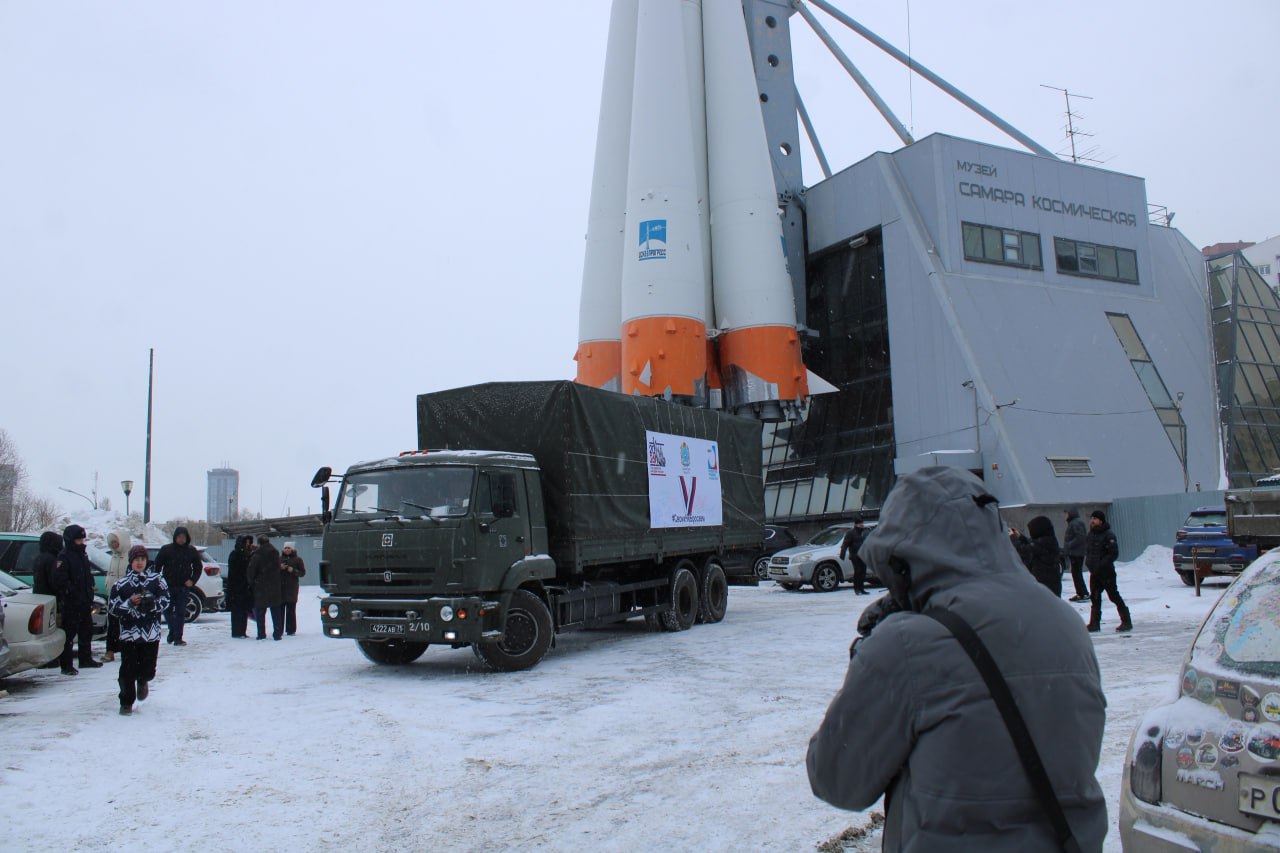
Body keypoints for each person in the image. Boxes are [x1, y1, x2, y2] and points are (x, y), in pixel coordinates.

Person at [806, 467, 1108, 852]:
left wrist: (870, 661)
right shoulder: (1065, 623)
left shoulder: (905, 644)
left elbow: (836, 780)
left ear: (902, 559)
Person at [108, 544, 169, 716]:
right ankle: (126, 702)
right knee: (128, 670)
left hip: (151, 634)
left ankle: (143, 680)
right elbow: (113, 608)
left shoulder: (157, 580)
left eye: (142, 559)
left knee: (148, 669)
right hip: (129, 635)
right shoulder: (121, 584)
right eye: (136, 560)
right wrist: (129, 604)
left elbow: (166, 599)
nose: (140, 563)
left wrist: (152, 603)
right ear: (131, 562)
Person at [52, 524, 102, 674]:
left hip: (85, 601)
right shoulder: (64, 556)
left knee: (86, 631)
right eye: (78, 540)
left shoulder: (83, 555)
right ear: (70, 540)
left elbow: (87, 575)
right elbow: (61, 580)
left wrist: (90, 590)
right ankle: (66, 665)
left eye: (82, 539)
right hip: (71, 603)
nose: (81, 542)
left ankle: (85, 659)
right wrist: (73, 593)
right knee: (69, 634)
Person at [1085, 510, 1132, 633]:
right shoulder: (1091, 534)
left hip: (1106, 572)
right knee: (1095, 597)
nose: (1092, 521)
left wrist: (1101, 564)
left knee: (1113, 596)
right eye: (1091, 518)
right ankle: (1094, 623)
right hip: (1095, 572)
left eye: (1095, 519)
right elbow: (1089, 551)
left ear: (1101, 521)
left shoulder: (1108, 535)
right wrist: (1089, 563)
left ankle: (1126, 621)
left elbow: (1113, 553)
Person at [154, 526, 202, 645]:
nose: (181, 539)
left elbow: (198, 567)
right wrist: (158, 581)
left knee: (180, 612)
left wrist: (192, 580)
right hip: (168, 586)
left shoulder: (191, 550)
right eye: (179, 537)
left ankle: (178, 638)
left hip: (183, 587)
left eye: (183, 537)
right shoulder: (166, 549)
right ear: (175, 537)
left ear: (187, 538)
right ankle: (173, 630)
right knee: (167, 610)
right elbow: (157, 566)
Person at [31, 531, 63, 669]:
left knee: (42, 631)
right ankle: (51, 659)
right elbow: (54, 582)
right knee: (52, 630)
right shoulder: (52, 560)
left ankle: (43, 659)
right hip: (51, 599)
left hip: (39, 597)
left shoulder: (38, 558)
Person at [101, 529, 132, 662]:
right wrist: (108, 584)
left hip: (127, 596)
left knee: (127, 624)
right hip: (114, 595)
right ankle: (110, 650)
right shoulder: (113, 556)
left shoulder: (130, 556)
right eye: (112, 542)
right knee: (112, 624)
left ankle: (128, 650)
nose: (114, 545)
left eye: (116, 542)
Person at [246, 535, 284, 640]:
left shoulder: (257, 555)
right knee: (276, 611)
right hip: (274, 586)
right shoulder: (275, 553)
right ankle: (277, 634)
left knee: (260, 612)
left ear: (259, 543)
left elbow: (251, 570)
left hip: (260, 586)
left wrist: (252, 582)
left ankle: (261, 634)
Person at [1025, 515, 1062, 596]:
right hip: (1048, 588)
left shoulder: (1044, 543)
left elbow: (1026, 549)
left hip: (1046, 589)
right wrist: (1021, 537)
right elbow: (1032, 544)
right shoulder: (1048, 540)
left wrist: (1014, 539)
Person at [225, 535, 253, 638]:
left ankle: (242, 631)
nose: (248, 544)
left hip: (245, 587)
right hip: (237, 587)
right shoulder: (236, 554)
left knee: (244, 610)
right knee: (237, 610)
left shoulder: (247, 554)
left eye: (249, 542)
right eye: (246, 542)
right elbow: (235, 571)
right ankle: (237, 632)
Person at [279, 541, 307, 636]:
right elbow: (273, 571)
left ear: (293, 549)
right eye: (285, 548)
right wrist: (280, 568)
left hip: (292, 588)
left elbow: (302, 573)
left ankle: (291, 629)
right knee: (280, 610)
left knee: (291, 610)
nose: (287, 550)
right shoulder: (279, 559)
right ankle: (279, 629)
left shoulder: (298, 560)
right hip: (280, 588)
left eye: (289, 548)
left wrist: (293, 571)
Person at [1063, 507, 1090, 602]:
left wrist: (1069, 545)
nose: (1065, 516)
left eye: (1067, 513)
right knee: (1076, 573)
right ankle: (1080, 593)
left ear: (1071, 514)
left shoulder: (1076, 523)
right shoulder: (1073, 523)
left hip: (1077, 553)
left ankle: (1083, 593)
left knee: (1076, 574)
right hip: (1075, 552)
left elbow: (1080, 537)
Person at [838, 519, 869, 595]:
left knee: (863, 572)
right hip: (855, 555)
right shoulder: (851, 533)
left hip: (863, 554)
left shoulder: (864, 532)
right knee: (858, 571)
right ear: (856, 524)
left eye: (862, 523)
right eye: (860, 523)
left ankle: (862, 588)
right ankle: (856, 588)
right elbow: (845, 544)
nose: (862, 525)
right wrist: (842, 554)